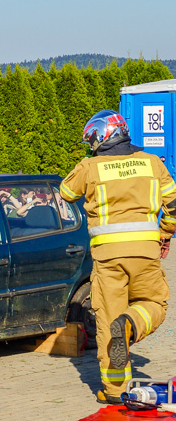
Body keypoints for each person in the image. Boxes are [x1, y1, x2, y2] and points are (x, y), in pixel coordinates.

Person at [59, 110, 176, 405]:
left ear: (102, 136)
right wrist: (165, 234)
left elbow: (66, 191)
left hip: (107, 258)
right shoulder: (152, 163)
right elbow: (174, 205)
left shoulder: (91, 166)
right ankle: (131, 325)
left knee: (107, 319)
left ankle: (113, 392)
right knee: (154, 303)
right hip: (145, 253)